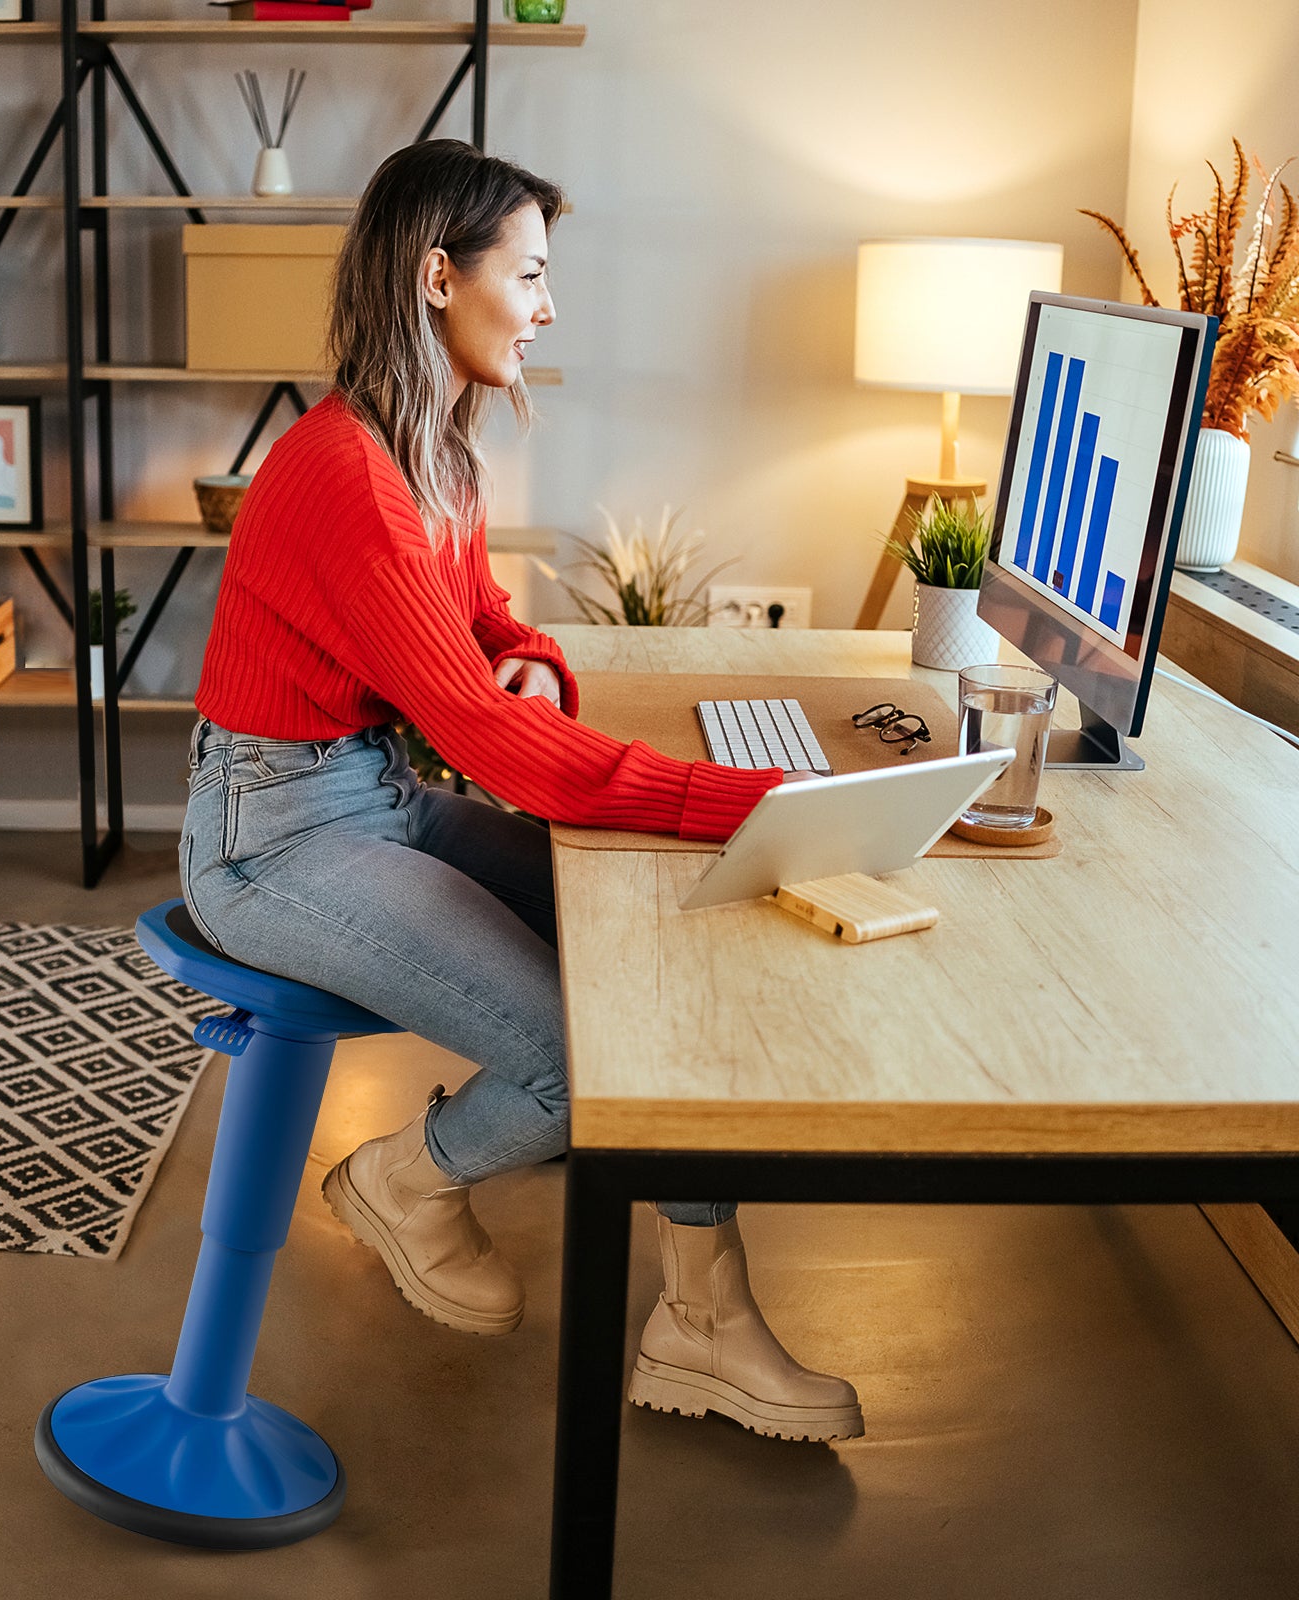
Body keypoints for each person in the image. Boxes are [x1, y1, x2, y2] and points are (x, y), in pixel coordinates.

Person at [180, 139, 861, 1444]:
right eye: (531, 274)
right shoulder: (345, 476)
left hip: (373, 799)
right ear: (441, 276)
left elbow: (489, 632)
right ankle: (401, 1178)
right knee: (573, 1063)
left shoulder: (437, 451)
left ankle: (702, 1325)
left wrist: (528, 665)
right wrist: (750, 804)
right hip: (271, 837)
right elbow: (492, 746)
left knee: (659, 960)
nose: (548, 307)